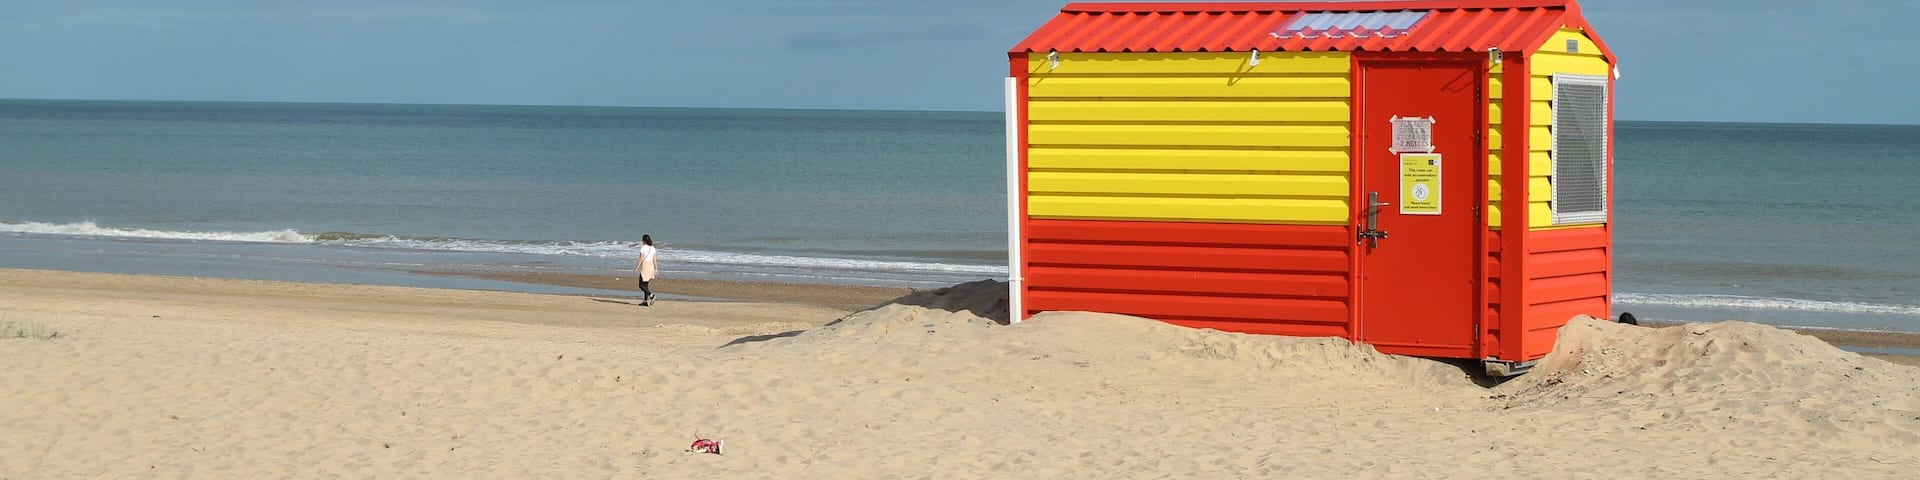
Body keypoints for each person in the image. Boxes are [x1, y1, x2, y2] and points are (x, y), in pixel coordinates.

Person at [635, 234, 658, 306]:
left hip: (645, 266)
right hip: (651, 266)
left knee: (641, 285)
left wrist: (637, 267)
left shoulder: (643, 248)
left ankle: (651, 295)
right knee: (645, 285)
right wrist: (656, 268)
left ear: (644, 240)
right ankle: (645, 301)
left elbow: (641, 258)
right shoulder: (653, 248)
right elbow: (654, 259)